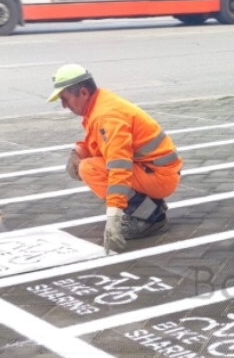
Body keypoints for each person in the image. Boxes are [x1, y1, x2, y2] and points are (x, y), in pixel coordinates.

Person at [49, 65, 181, 254]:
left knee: (89, 169)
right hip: (155, 170)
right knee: (89, 162)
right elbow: (96, 144)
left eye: (65, 99)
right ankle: (151, 205)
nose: (64, 105)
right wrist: (77, 151)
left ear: (83, 92)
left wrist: (113, 219)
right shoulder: (100, 103)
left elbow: (119, 168)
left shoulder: (106, 116)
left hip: (159, 177)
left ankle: (151, 216)